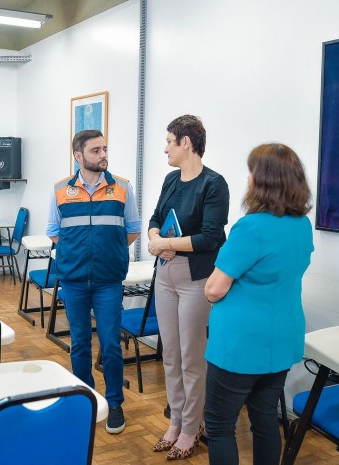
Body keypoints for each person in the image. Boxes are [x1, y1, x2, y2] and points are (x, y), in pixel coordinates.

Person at [203, 143, 314, 465]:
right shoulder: (301, 225)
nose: (248, 178)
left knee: (221, 425)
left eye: (251, 172)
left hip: (240, 344)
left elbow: (214, 289)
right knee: (265, 419)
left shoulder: (252, 227)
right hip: (282, 339)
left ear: (262, 180)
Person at [47, 129, 141, 435]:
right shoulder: (61, 189)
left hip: (108, 281)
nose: (104, 155)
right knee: (80, 344)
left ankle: (114, 403)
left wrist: (109, 253)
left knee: (111, 344)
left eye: (105, 149)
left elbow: (133, 229)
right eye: (96, 150)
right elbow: (53, 230)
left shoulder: (123, 187)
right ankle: (86, 399)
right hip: (73, 280)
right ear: (79, 156)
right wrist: (76, 256)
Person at [146, 115, 230, 460]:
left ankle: (192, 428)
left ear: (186, 143)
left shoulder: (214, 183)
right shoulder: (170, 179)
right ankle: (176, 420)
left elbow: (213, 237)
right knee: (170, 355)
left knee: (191, 358)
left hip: (196, 279)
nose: (165, 148)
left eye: (169, 141)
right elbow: (154, 218)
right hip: (165, 273)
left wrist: (171, 244)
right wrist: (154, 238)